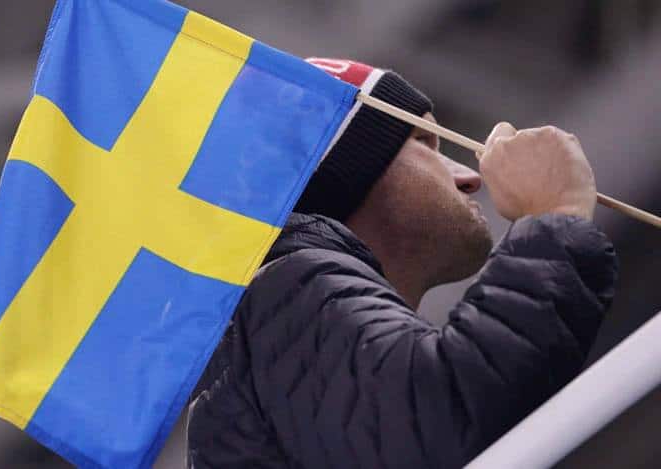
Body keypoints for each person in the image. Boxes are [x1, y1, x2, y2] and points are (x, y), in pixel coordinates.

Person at [186, 58, 618, 469]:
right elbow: (441, 425)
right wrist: (552, 219)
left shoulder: (282, 323)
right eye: (425, 142)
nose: (469, 177)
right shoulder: (287, 292)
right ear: (345, 173)